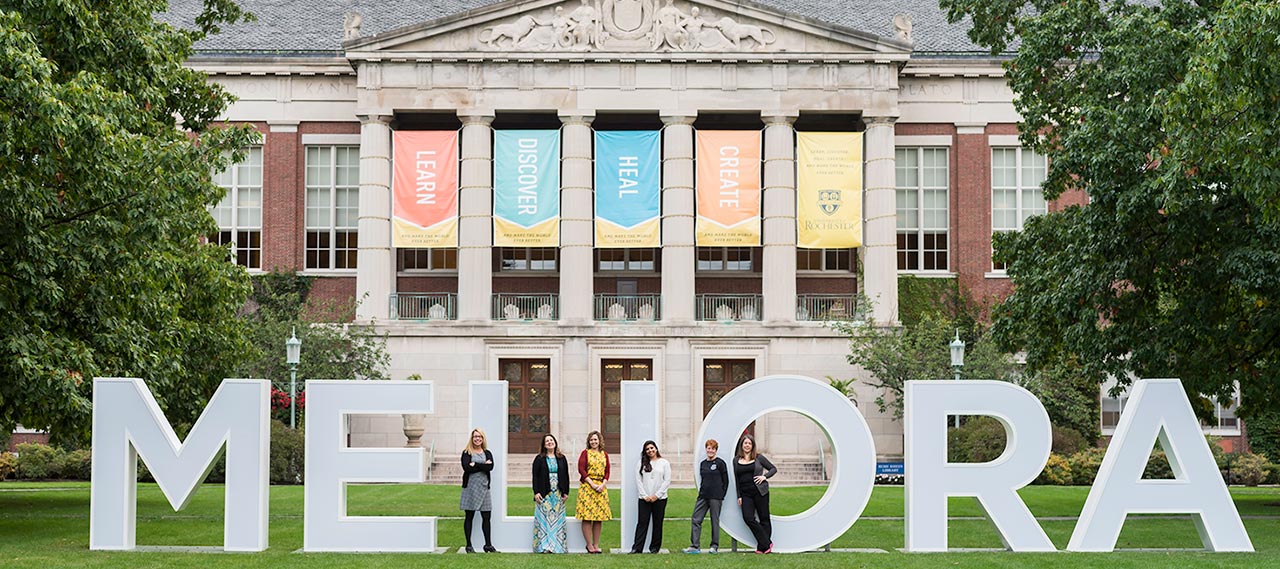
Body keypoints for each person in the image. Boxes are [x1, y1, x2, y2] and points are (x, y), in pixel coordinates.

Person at [734, 434, 777, 554]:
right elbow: (736, 479)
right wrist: (739, 496)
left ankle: (762, 547)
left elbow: (773, 469)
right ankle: (767, 542)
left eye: (749, 443)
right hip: (745, 494)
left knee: (764, 518)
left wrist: (764, 476)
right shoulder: (736, 460)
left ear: (752, 445)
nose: (747, 445)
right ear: (741, 445)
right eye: (745, 443)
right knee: (748, 518)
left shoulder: (759, 458)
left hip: (760, 492)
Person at [683, 438, 728, 554]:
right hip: (703, 496)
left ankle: (714, 546)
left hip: (715, 497)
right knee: (696, 519)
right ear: (706, 449)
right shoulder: (703, 464)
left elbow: (726, 481)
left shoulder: (720, 463)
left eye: (713, 448)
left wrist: (721, 495)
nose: (710, 450)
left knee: (714, 521)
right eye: (709, 448)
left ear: (716, 450)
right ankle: (695, 546)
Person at [460, 428, 498, 553]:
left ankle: (488, 545)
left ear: (483, 439)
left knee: (486, 517)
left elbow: (490, 467)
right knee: (469, 516)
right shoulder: (466, 452)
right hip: (470, 488)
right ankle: (469, 545)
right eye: (475, 436)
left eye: (480, 437)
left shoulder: (487, 452)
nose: (477, 439)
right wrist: (483, 466)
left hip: (484, 487)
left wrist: (475, 464)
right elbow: (466, 467)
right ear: (472, 438)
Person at [630, 440, 671, 554]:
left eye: (652, 448)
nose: (650, 450)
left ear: (656, 449)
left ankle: (654, 548)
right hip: (644, 499)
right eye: (647, 449)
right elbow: (638, 481)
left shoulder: (664, 463)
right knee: (642, 523)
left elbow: (667, 481)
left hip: (660, 499)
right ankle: (637, 548)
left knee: (658, 523)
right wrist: (645, 495)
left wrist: (656, 496)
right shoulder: (641, 463)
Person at [532, 433, 570, 553]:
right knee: (544, 520)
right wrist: (536, 492)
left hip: (558, 494)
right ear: (544, 444)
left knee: (557, 521)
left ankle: (557, 547)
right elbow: (535, 477)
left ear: (555, 442)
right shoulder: (539, 459)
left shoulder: (562, 458)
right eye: (547, 441)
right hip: (544, 493)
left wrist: (566, 492)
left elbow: (566, 475)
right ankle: (544, 547)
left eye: (551, 440)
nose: (549, 442)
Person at [575, 430, 611, 554]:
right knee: (587, 517)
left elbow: (607, 471)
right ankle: (589, 545)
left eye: (595, 439)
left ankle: (596, 544)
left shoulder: (604, 454)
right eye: (591, 440)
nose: (594, 442)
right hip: (588, 486)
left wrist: (602, 484)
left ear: (600, 441)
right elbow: (581, 469)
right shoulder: (585, 453)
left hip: (601, 488)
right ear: (588, 442)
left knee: (598, 518)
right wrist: (592, 484)